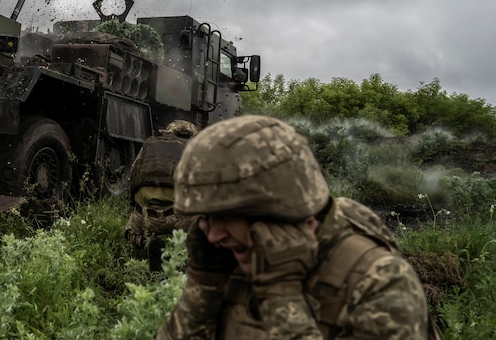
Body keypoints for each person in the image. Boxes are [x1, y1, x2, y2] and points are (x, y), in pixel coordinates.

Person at [157, 115, 439, 340]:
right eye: (205, 218)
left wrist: (281, 299)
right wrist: (203, 288)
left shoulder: (379, 283)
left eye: (226, 217)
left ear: (283, 209)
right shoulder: (228, 260)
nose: (214, 235)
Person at [126, 119, 199, 271]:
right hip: (178, 218)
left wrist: (136, 207)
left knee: (130, 233)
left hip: (145, 216)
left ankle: (145, 243)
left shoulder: (149, 145)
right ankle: (185, 260)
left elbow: (133, 175)